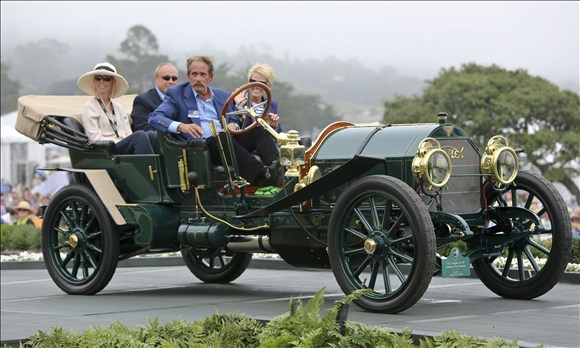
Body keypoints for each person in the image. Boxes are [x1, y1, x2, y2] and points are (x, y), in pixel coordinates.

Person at [149, 56, 280, 185]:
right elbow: (154, 118)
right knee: (221, 137)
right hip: (200, 149)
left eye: (203, 74)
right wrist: (182, 126)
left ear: (210, 77)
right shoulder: (176, 94)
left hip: (226, 142)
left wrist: (233, 125)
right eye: (194, 74)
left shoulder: (223, 96)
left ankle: (279, 169)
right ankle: (261, 175)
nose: (198, 79)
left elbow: (232, 117)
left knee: (258, 130)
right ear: (189, 76)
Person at [77, 62, 155, 155]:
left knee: (151, 135)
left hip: (122, 145)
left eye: (106, 78)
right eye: (98, 78)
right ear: (94, 81)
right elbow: (94, 138)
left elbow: (128, 133)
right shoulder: (90, 107)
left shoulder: (119, 108)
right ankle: (149, 168)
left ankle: (162, 167)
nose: (102, 81)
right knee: (140, 135)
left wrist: (127, 143)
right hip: (105, 149)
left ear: (113, 82)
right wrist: (122, 142)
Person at [232, 63, 282, 133]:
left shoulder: (271, 104)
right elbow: (233, 127)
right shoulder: (237, 100)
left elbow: (278, 135)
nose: (256, 86)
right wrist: (240, 107)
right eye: (253, 82)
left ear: (269, 86)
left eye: (262, 83)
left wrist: (275, 126)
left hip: (266, 142)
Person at [131, 63, 179, 132]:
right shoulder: (143, 101)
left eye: (174, 78)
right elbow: (143, 129)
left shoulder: (182, 100)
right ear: (156, 78)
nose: (171, 81)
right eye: (166, 78)